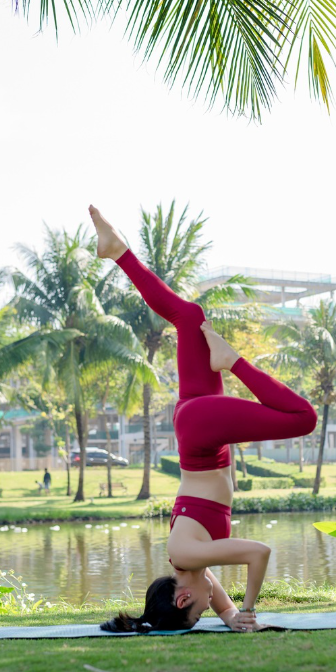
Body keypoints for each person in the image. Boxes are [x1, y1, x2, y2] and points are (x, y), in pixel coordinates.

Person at [89, 206, 317, 634]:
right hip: (198, 433)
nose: (205, 611)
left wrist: (249, 610)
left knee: (303, 418)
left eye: (197, 615)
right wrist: (233, 616)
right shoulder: (191, 567)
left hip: (203, 436)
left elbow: (260, 552)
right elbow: (215, 595)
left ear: (182, 598)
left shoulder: (190, 559)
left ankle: (232, 361)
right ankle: (117, 251)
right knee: (189, 316)